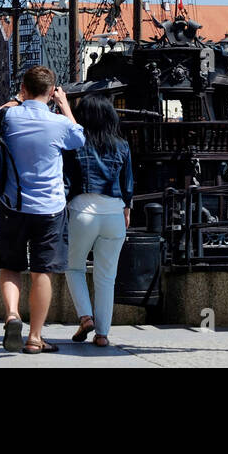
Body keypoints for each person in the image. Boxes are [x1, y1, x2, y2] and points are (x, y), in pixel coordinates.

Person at [0, 65, 85, 354]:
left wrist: (14, 102)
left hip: (12, 205)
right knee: (42, 272)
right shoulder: (59, 123)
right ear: (51, 92)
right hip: (50, 208)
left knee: (10, 266)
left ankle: (12, 314)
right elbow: (79, 138)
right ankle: (35, 338)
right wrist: (64, 106)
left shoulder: (8, 116)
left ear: (23, 89)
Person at [63, 95, 133, 348]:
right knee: (106, 277)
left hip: (82, 210)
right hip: (114, 213)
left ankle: (85, 317)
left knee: (74, 267)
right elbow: (128, 185)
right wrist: (127, 209)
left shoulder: (77, 144)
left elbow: (67, 180)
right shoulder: (122, 145)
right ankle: (102, 334)